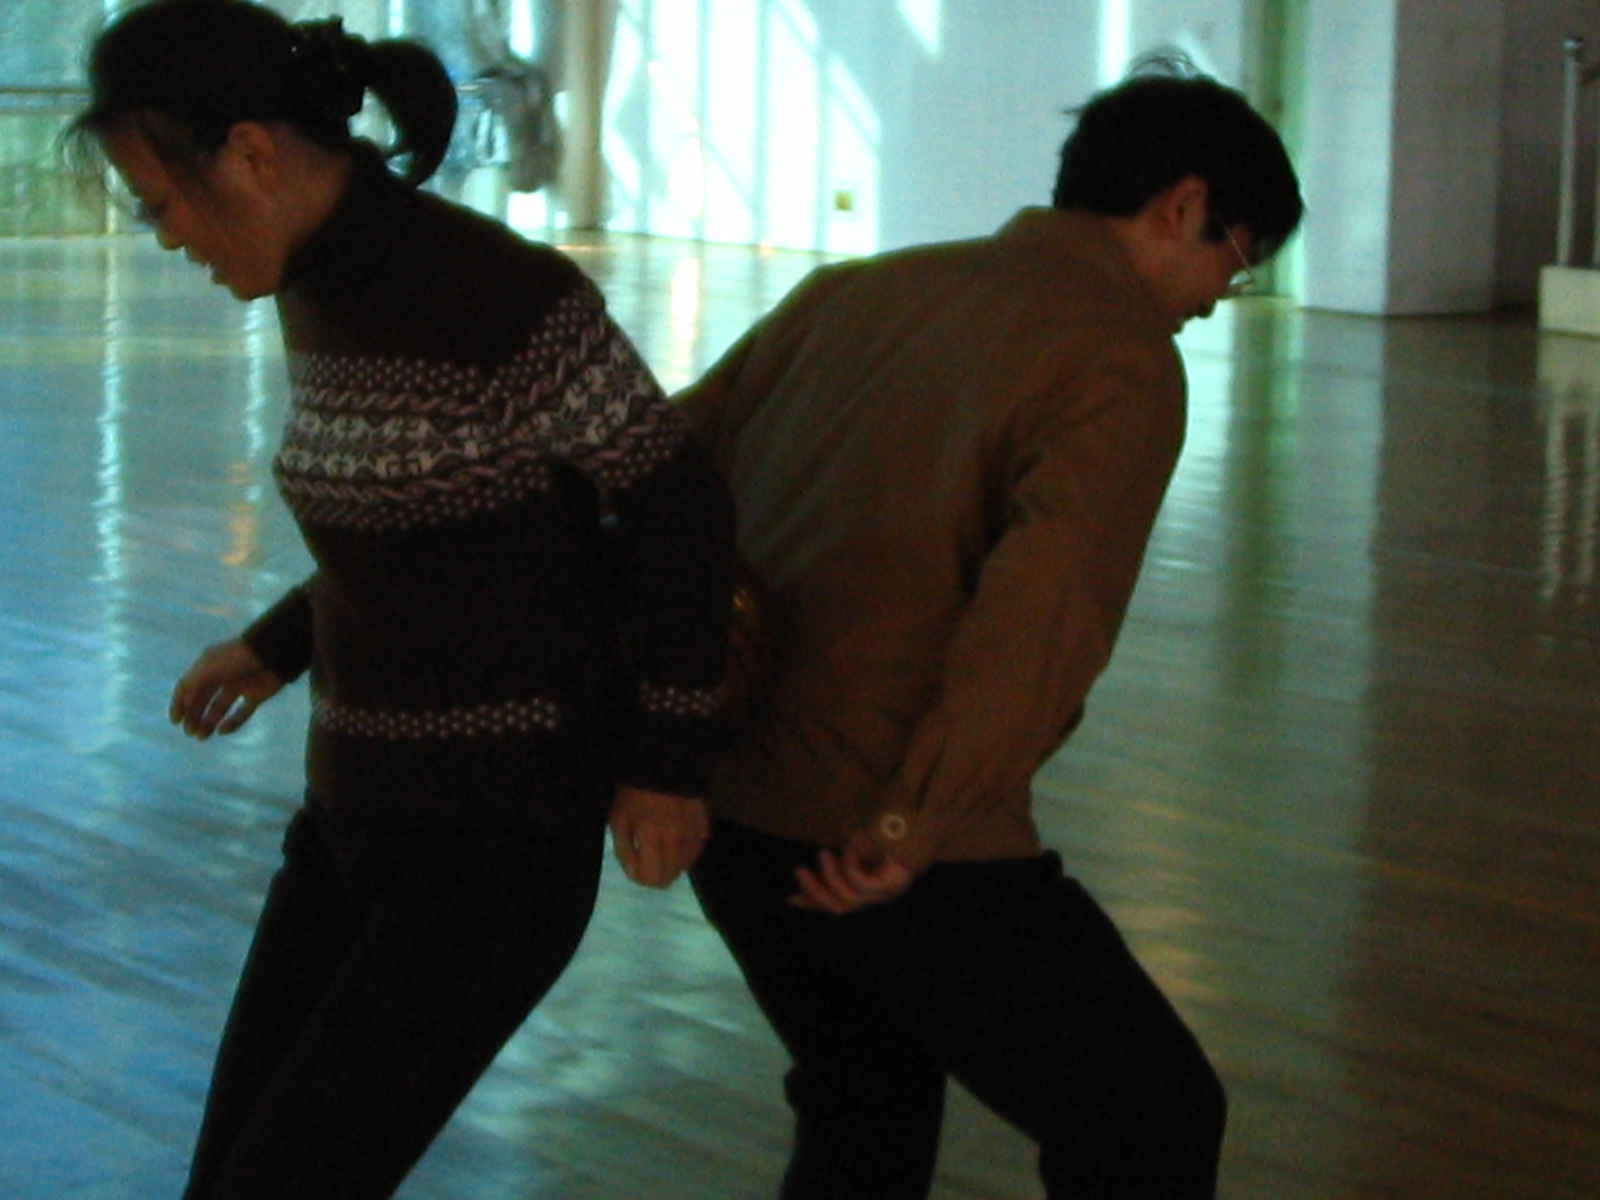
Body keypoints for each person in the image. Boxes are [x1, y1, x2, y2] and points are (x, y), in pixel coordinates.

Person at [68, 2, 732, 1197]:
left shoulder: (495, 293)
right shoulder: (313, 281)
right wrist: (278, 644)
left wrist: (667, 763)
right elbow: (423, 519)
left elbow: (677, 507)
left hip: (496, 844)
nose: (167, 239)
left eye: (163, 204)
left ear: (251, 154)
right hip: (350, 821)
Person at [677, 67, 1305, 1200]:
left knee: (864, 1102)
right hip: (878, 840)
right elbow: (1041, 618)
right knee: (1152, 1118)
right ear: (1183, 205)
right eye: (1238, 257)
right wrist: (913, 819)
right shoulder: (1116, 356)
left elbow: (657, 482)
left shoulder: (851, 292)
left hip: (728, 808)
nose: (1221, 296)